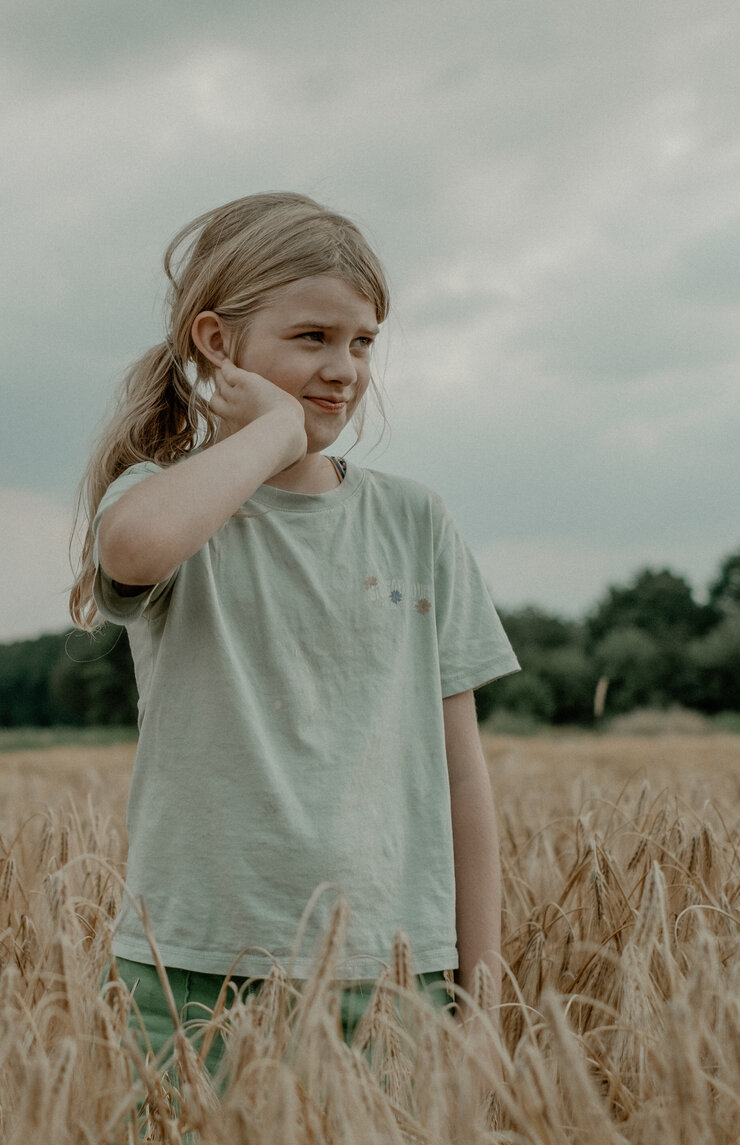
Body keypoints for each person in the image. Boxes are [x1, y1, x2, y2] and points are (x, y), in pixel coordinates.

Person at [70, 192, 519, 1071]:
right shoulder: (169, 503)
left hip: (394, 974)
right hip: (194, 974)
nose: (345, 368)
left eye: (362, 342)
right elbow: (132, 547)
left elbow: (463, 772)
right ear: (216, 342)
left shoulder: (413, 520)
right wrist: (274, 431)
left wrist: (485, 985)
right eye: (311, 338)